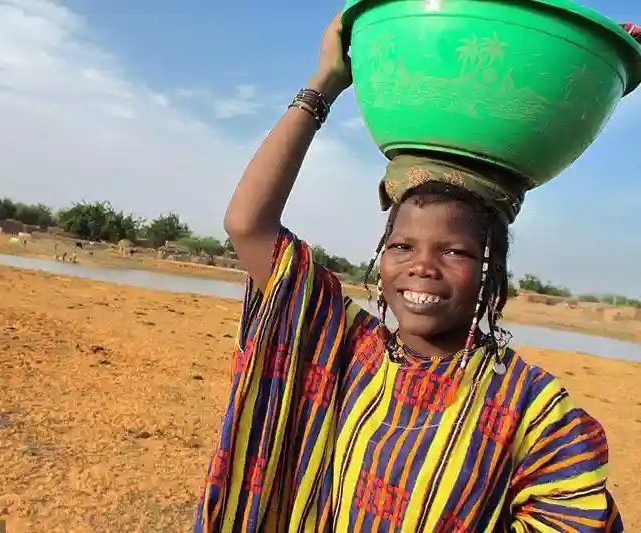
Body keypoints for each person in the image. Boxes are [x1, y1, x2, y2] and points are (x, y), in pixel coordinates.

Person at [193, 12, 625, 533]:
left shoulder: (532, 410)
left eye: (455, 252)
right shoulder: (347, 350)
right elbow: (247, 224)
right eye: (401, 245)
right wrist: (324, 84)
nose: (422, 266)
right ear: (381, 256)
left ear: (491, 271)